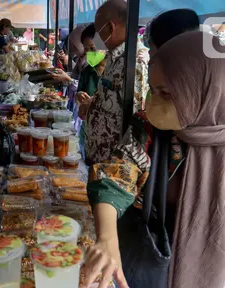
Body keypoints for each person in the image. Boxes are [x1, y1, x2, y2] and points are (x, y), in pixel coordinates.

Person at [86, 30, 225, 288]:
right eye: (151, 89)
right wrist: (107, 238)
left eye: (166, 93)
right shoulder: (147, 127)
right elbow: (115, 176)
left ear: (205, 90)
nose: (152, 102)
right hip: (148, 263)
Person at [78, 0, 149, 165]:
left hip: (111, 166)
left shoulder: (135, 62)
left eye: (97, 30)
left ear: (110, 27)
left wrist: (116, 170)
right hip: (98, 157)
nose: (96, 38)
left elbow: (135, 121)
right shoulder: (114, 56)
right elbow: (112, 101)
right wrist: (92, 104)